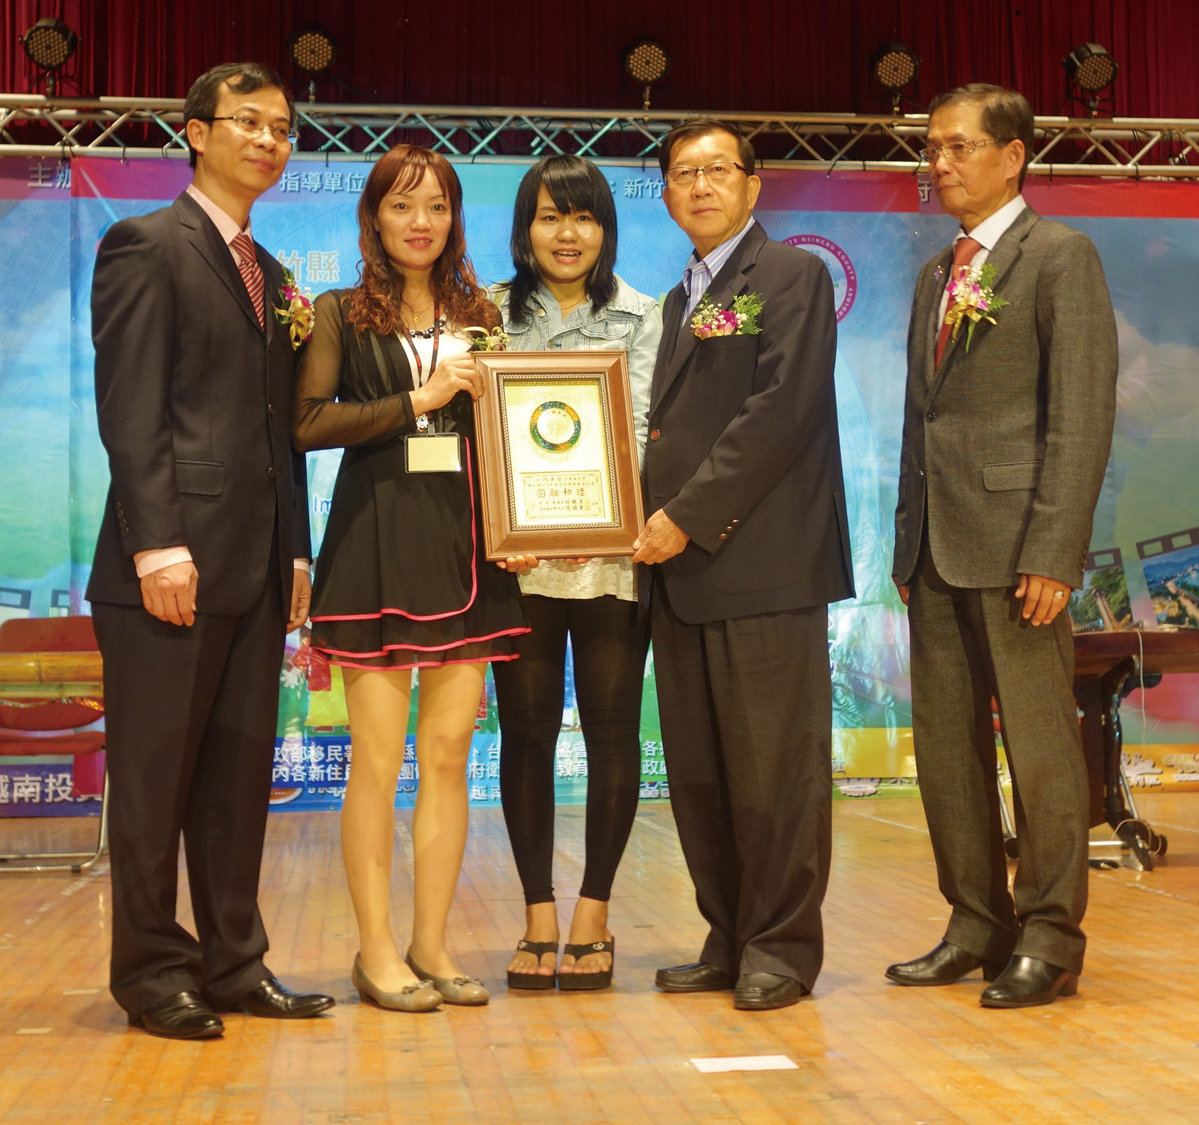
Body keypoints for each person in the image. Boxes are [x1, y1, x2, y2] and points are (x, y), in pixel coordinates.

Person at [87, 61, 334, 1041]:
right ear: (195, 132)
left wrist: (297, 552)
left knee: (236, 781)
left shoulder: (271, 272)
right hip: (171, 569)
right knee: (155, 784)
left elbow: (280, 429)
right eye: (248, 121)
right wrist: (157, 548)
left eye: (282, 127)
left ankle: (234, 962)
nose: (269, 140)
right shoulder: (145, 245)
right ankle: (153, 973)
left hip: (256, 567)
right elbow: (131, 409)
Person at [888, 84, 1118, 1009]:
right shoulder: (935, 273)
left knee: (1040, 747)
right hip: (936, 550)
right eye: (933, 148)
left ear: (1014, 155)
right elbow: (923, 418)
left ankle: (1052, 935)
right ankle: (976, 921)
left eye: (958, 146)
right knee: (946, 749)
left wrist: (1055, 550)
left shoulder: (1060, 256)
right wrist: (906, 542)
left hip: (1020, 547)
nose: (939, 163)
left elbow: (1081, 414)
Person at [295, 142, 528, 1014]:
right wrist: (418, 403)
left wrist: (520, 523)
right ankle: (376, 950)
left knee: (449, 755)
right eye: (401, 205)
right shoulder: (338, 313)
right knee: (376, 760)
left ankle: (431, 943)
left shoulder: (483, 314)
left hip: (467, 549)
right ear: (374, 217)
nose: (419, 222)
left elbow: (506, 435)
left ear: (454, 218)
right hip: (374, 548)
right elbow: (307, 423)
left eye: (435, 206)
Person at [631, 119, 853, 1012]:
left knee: (774, 774)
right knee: (702, 774)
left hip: (762, 564)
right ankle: (727, 935)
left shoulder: (792, 275)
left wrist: (684, 516)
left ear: (753, 185)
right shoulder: (675, 300)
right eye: (683, 173)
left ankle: (782, 947)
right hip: (681, 574)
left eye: (717, 169)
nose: (700, 185)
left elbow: (780, 410)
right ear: (666, 195)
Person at [485, 156, 661, 992]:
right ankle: (537, 914)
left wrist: (611, 518)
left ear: (605, 229)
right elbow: (475, 434)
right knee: (524, 734)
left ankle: (593, 912)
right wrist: (501, 521)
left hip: (611, 563)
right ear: (526, 228)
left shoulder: (644, 316)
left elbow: (646, 430)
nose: (567, 233)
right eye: (550, 216)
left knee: (611, 731)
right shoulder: (484, 314)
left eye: (584, 217)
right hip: (518, 563)